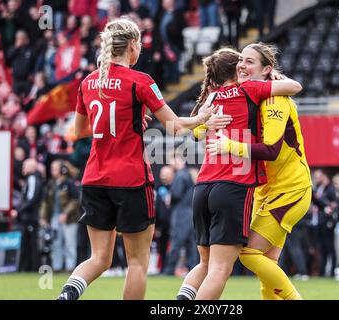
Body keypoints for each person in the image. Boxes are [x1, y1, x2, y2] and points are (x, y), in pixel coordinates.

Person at [57, 17, 215, 300]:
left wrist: (122, 120)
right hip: (130, 179)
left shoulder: (89, 82)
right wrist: (201, 117)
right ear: (132, 45)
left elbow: (79, 132)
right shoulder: (141, 81)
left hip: (94, 178)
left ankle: (67, 294)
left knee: (99, 258)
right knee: (138, 263)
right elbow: (174, 126)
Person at [176, 46, 302, 300]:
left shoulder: (211, 98)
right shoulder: (248, 89)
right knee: (221, 268)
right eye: (241, 63)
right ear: (236, 69)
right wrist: (277, 78)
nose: (244, 66)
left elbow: (195, 131)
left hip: (202, 187)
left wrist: (206, 122)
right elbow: (296, 87)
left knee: (204, 264)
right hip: (232, 186)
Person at [40, 160, 80, 272]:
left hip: (69, 219)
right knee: (56, 243)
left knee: (69, 243)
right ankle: (57, 267)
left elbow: (75, 201)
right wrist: (43, 217)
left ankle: (70, 267)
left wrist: (66, 213)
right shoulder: (51, 184)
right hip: (54, 217)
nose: (52, 171)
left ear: (62, 170)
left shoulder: (70, 183)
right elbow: (46, 202)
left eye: (55, 168)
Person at [162, 152, 198, 276]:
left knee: (176, 242)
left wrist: (169, 199)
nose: (171, 164)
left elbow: (176, 194)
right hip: (191, 213)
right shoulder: (189, 175)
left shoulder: (180, 176)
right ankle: (193, 271)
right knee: (191, 244)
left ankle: (169, 270)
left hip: (181, 213)